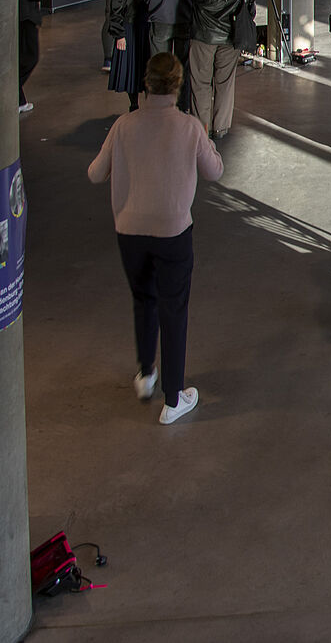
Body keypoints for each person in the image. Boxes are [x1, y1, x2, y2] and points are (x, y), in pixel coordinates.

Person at [88, 52, 224, 425]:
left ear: (146, 84)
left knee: (143, 300)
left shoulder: (123, 125)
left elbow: (95, 174)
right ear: (178, 86)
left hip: (129, 231)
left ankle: (146, 374)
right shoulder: (190, 127)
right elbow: (214, 171)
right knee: (173, 309)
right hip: (173, 231)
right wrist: (206, 140)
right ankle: (174, 398)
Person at [182, 0, 254, 138]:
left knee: (200, 83)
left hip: (203, 37)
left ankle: (201, 127)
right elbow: (250, 7)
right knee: (225, 83)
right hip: (230, 37)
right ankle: (220, 127)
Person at [108, 0, 155, 112]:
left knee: (149, 68)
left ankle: (150, 105)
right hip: (130, 29)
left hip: (149, 29)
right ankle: (134, 105)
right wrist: (119, 34)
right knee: (132, 69)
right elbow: (115, 11)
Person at [17, 0, 54, 113]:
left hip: (19, 18)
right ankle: (14, 92)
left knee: (22, 58)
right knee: (30, 58)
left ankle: (20, 101)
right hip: (27, 19)